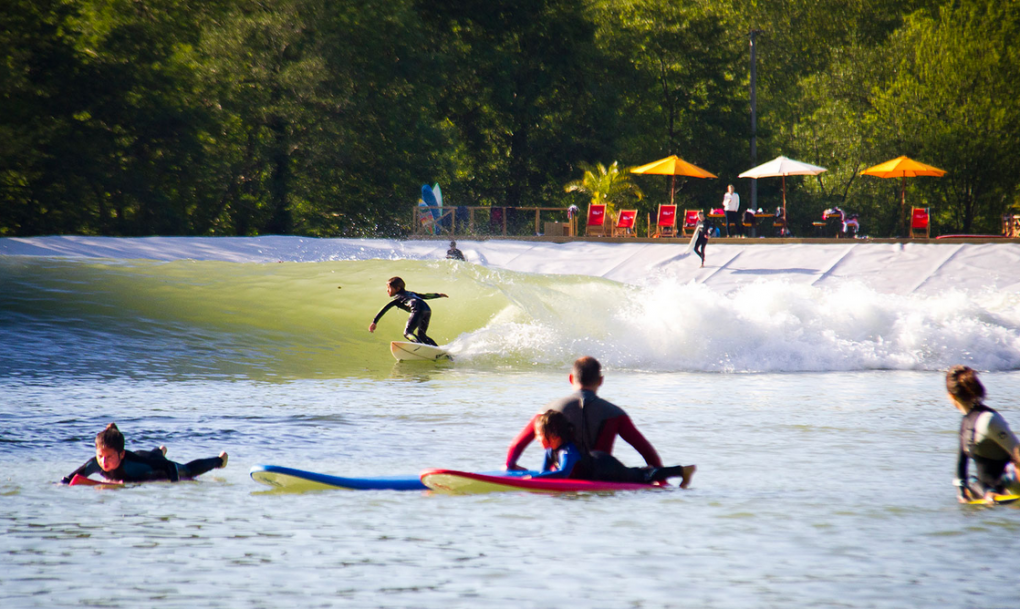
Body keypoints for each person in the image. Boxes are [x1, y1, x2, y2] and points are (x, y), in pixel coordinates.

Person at [505, 356, 664, 471]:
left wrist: (510, 465)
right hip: (599, 476)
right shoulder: (615, 413)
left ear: (570, 378)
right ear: (601, 380)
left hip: (560, 478)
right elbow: (646, 450)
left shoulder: (548, 410)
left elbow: (517, 444)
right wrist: (659, 477)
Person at [532, 410, 695, 487]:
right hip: (594, 462)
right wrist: (535, 479)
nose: (537, 438)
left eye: (539, 434)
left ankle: (682, 471)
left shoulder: (568, 451)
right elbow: (544, 473)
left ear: (554, 435)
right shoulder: (549, 452)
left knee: (639, 477)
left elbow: (563, 473)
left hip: (604, 466)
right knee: (637, 473)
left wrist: (532, 480)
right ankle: (649, 470)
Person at [946, 366, 1020, 503]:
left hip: (1010, 483)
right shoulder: (965, 423)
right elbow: (961, 468)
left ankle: (992, 493)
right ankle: (989, 493)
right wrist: (962, 495)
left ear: (950, 396)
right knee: (971, 482)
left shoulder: (988, 420)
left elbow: (1017, 452)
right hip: (990, 491)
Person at [61, 423, 227, 484]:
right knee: (157, 456)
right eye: (100, 456)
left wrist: (176, 484)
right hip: (141, 459)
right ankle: (160, 450)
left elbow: (169, 467)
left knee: (187, 471)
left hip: (147, 461)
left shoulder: (136, 465)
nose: (103, 461)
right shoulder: (96, 463)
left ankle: (219, 460)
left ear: (121, 454)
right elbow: (70, 478)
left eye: (109, 457)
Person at [369, 276, 448, 346]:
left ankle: (419, 345)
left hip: (417, 308)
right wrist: (438, 295)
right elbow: (424, 296)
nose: (387, 290)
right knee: (422, 335)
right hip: (427, 309)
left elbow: (385, 308)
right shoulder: (410, 293)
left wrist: (374, 322)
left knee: (407, 333)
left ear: (397, 289)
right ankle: (437, 350)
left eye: (389, 288)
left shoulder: (397, 297)